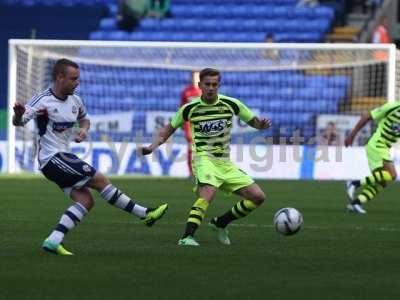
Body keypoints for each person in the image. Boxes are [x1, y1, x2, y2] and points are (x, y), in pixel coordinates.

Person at [12, 58, 168, 255]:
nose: (77, 82)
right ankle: (145, 214)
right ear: (60, 78)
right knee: (100, 179)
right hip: (51, 158)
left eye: (78, 78)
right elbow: (18, 122)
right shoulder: (42, 100)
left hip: (63, 157)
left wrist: (83, 130)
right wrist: (18, 115)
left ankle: (54, 240)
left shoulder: (76, 100)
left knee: (86, 201)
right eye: (73, 78)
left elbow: (84, 119)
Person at [139, 68, 271, 246]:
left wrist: (261, 125)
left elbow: (253, 121)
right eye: (207, 84)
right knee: (209, 192)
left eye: (214, 84)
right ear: (200, 85)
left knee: (258, 196)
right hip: (203, 159)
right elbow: (168, 129)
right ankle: (187, 237)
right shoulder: (189, 109)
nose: (211, 88)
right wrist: (151, 147)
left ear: (219, 85)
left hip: (224, 162)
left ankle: (220, 223)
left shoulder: (231, 104)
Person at [345, 101, 399, 214]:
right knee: (392, 175)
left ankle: (355, 204)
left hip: (384, 147)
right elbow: (367, 116)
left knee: (381, 182)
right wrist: (352, 134)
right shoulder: (393, 106)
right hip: (377, 144)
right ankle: (354, 183)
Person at [180, 71, 201, 176]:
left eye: (196, 77)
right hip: (189, 123)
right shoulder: (186, 92)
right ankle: (191, 173)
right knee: (191, 146)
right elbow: (181, 108)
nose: (194, 79)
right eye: (193, 77)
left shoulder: (204, 91)